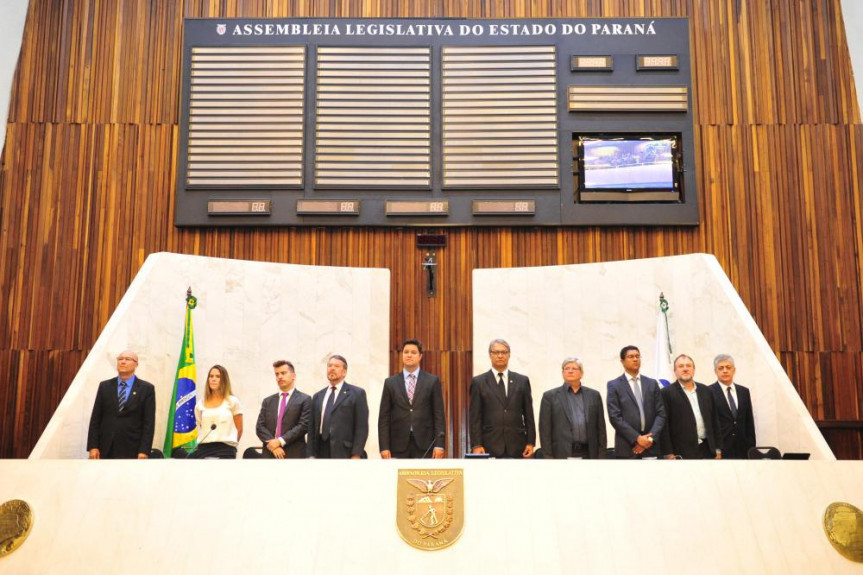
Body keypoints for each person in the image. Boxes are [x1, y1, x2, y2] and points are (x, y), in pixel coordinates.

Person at [379, 339, 446, 459]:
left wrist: (439, 445)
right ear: (402, 355)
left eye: (413, 352)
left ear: (420, 356)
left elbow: (439, 414)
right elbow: (384, 417)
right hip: (397, 445)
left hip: (425, 444)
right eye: (406, 352)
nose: (409, 355)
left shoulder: (432, 381)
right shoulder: (390, 383)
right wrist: (384, 447)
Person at [469, 338, 536, 458]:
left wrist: (530, 442)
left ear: (509, 355)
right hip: (488, 445)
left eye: (504, 352)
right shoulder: (479, 382)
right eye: (496, 352)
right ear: (490, 355)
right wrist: (476, 444)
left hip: (517, 445)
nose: (500, 356)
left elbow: (528, 414)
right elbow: (475, 417)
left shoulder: (522, 381)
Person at [87, 350, 155, 459]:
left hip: (133, 448)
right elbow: (95, 419)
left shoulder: (146, 389)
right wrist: (93, 446)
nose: (123, 362)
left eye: (127, 359)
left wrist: (144, 450)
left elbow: (149, 423)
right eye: (120, 359)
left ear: (136, 364)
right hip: (105, 447)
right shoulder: (105, 386)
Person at [539, 358, 607, 459]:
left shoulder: (594, 395)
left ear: (582, 373)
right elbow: (545, 430)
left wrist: (601, 455)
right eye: (566, 368)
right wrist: (548, 457)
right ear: (562, 373)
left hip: (589, 453)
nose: (570, 371)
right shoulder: (550, 396)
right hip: (561, 453)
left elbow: (601, 428)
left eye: (574, 368)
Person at [606, 345, 666, 458]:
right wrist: (637, 439)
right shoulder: (614, 385)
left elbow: (661, 414)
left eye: (637, 356)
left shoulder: (652, 384)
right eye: (631, 356)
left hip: (651, 446)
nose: (635, 359)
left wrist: (648, 439)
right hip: (627, 447)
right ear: (622, 361)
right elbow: (615, 417)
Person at [660, 355, 721, 459]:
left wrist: (718, 450)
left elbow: (714, 421)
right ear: (675, 371)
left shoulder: (706, 391)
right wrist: (668, 453)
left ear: (693, 369)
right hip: (681, 452)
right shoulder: (666, 393)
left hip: (708, 450)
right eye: (681, 366)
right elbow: (664, 426)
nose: (685, 369)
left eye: (688, 366)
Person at [310, 355, 369, 459]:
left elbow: (362, 427)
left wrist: (356, 454)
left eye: (336, 366)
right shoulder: (318, 396)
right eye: (329, 366)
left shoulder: (357, 394)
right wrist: (310, 454)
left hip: (345, 452)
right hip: (320, 451)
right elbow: (311, 428)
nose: (332, 368)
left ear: (344, 372)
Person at [255, 360, 312, 459]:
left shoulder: (305, 399)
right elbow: (260, 427)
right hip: (269, 454)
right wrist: (274, 446)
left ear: (293, 376)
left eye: (283, 373)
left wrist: (280, 441)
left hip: (294, 453)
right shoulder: (268, 401)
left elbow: (303, 425)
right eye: (277, 374)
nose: (280, 377)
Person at [708, 354, 756, 459]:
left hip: (743, 449)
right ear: (715, 371)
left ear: (734, 370)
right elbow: (709, 424)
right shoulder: (708, 392)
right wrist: (715, 450)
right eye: (721, 368)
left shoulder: (744, 391)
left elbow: (749, 422)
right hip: (721, 450)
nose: (725, 371)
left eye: (728, 367)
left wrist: (752, 448)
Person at [192, 364, 243, 459]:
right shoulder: (200, 404)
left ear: (224, 380)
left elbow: (239, 429)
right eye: (211, 376)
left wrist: (231, 446)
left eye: (218, 376)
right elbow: (201, 427)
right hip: (204, 448)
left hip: (225, 449)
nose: (213, 379)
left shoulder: (233, 401)